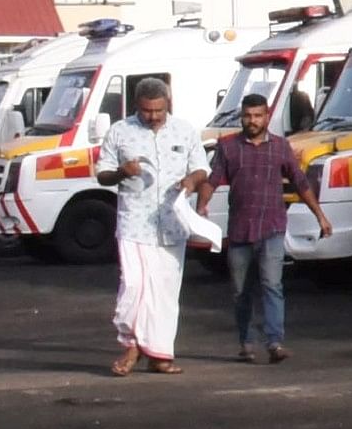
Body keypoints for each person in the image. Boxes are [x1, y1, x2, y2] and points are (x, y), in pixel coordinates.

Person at [191, 93, 326, 365]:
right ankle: (247, 342)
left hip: (272, 227)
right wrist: (201, 205)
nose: (252, 121)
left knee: (272, 285)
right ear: (242, 117)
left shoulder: (280, 147)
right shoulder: (228, 147)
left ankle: (275, 342)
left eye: (257, 116)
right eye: (247, 116)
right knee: (241, 290)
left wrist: (320, 216)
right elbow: (212, 179)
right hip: (240, 230)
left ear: (266, 117)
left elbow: (300, 182)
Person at [98, 79, 200, 374]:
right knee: (134, 286)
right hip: (135, 222)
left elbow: (201, 167)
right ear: (136, 106)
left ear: (168, 102)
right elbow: (102, 175)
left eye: (158, 110)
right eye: (146, 110)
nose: (153, 116)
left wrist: (191, 181)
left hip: (172, 222)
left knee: (165, 292)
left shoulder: (185, 130)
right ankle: (131, 345)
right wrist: (121, 172)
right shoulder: (120, 132)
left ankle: (159, 354)